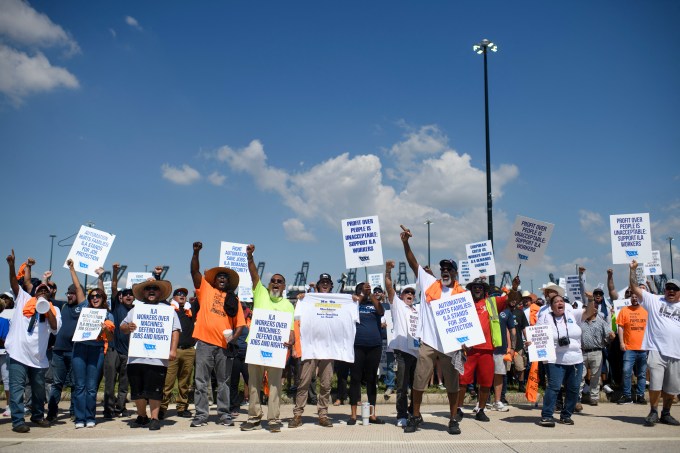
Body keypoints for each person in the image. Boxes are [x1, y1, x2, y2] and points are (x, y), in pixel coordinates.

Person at [400, 225, 465, 435]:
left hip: (450, 344)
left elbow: (466, 322)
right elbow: (413, 263)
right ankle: (415, 416)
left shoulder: (461, 292)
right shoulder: (429, 283)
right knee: (419, 381)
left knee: (452, 384)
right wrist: (405, 242)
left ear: (455, 273)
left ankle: (453, 418)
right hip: (428, 342)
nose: (445, 271)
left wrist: (465, 343)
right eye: (443, 269)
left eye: (449, 269)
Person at [189, 241, 245, 428]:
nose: (222, 279)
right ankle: (201, 415)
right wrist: (196, 253)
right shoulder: (206, 290)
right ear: (214, 280)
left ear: (229, 283)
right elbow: (195, 273)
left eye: (225, 278)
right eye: (219, 277)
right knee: (201, 382)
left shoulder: (233, 300)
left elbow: (239, 325)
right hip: (204, 343)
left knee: (224, 382)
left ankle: (224, 414)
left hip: (223, 346)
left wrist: (233, 339)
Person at [5, 250, 62, 433]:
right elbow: (15, 284)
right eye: (40, 290)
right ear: (35, 293)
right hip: (18, 354)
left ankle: (38, 416)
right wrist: (12, 265)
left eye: (46, 291)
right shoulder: (24, 299)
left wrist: (46, 310)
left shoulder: (54, 310)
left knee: (38, 391)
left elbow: (54, 327)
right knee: (17, 389)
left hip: (38, 359)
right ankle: (18, 421)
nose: (43, 292)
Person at [241, 244, 294, 433]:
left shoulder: (288, 305)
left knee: (274, 386)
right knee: (253, 384)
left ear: (284, 286)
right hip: (256, 347)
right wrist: (250, 257)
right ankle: (254, 418)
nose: (276, 283)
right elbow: (254, 274)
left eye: (279, 281)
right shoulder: (261, 293)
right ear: (269, 284)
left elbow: (291, 330)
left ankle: (273, 420)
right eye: (273, 280)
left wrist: (292, 341)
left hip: (277, 350)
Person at [120, 279, 180, 431]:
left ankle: (154, 418)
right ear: (144, 293)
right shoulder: (135, 310)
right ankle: (142, 416)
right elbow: (122, 327)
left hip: (157, 360)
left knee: (155, 391)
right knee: (137, 391)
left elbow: (175, 331)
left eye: (155, 289)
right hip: (136, 358)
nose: (151, 291)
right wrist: (128, 326)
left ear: (160, 293)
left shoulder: (168, 310)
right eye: (148, 289)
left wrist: (173, 350)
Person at [457, 277, 519, 420]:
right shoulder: (463, 303)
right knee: (462, 381)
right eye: (474, 287)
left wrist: (514, 288)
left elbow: (510, 299)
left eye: (480, 287)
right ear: (471, 289)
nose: (477, 289)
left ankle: (481, 409)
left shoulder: (492, 302)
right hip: (468, 349)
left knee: (485, 382)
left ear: (484, 290)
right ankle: (458, 408)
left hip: (487, 349)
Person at [628, 261, 680, 426]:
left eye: (675, 289)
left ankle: (666, 413)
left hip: (677, 352)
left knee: (671, 388)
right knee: (656, 384)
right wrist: (633, 270)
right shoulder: (654, 300)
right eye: (668, 288)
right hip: (657, 350)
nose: (671, 291)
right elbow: (635, 288)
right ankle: (653, 412)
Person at [535, 294, 597, 427]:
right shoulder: (545, 317)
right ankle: (546, 416)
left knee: (574, 389)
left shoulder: (572, 314)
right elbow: (536, 335)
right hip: (555, 360)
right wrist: (531, 342)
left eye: (561, 301)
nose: (559, 303)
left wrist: (591, 299)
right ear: (551, 307)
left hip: (575, 359)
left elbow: (590, 312)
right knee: (554, 387)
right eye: (556, 302)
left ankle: (566, 415)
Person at [289, 273, 336, 429]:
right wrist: (303, 298)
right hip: (311, 347)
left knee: (326, 383)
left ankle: (323, 414)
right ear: (317, 285)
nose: (325, 284)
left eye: (327, 282)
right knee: (304, 382)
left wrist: (355, 300)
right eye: (322, 282)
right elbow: (297, 320)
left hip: (329, 348)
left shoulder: (338, 302)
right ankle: (297, 414)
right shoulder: (307, 300)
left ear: (331, 286)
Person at [70, 265, 114, 429]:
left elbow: (110, 337)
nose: (95, 298)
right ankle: (79, 418)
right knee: (80, 386)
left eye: (98, 296)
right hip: (79, 350)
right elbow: (77, 287)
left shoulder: (108, 315)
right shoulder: (84, 308)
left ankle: (90, 417)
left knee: (91, 387)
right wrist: (72, 269)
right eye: (92, 296)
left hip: (97, 351)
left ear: (103, 299)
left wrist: (104, 330)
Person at [384, 260, 419, 427]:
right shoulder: (397, 305)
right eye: (406, 293)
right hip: (403, 353)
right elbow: (390, 289)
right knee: (402, 387)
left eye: (412, 293)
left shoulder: (418, 309)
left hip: (417, 353)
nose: (410, 294)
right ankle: (401, 415)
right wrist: (388, 272)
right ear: (402, 296)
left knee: (417, 388)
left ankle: (414, 413)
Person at [347, 281, 385, 425]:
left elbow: (381, 311)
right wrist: (362, 294)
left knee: (371, 380)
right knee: (355, 379)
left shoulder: (374, 303)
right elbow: (353, 308)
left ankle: (372, 415)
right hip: (357, 346)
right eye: (362, 290)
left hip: (374, 346)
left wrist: (371, 295)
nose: (365, 292)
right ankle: (353, 415)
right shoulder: (354, 304)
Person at [46, 280, 84, 422]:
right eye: (68, 293)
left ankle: (73, 411)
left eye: (72, 293)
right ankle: (52, 412)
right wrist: (46, 280)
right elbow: (46, 299)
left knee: (75, 383)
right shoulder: (61, 306)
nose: (69, 296)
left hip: (75, 351)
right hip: (59, 351)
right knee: (57, 383)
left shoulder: (84, 308)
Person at [100, 263, 134, 419]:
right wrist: (115, 272)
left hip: (129, 352)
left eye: (131, 294)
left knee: (124, 383)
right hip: (113, 350)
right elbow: (114, 287)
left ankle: (121, 407)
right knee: (110, 382)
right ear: (121, 297)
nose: (128, 296)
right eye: (125, 294)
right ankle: (108, 409)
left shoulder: (136, 311)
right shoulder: (117, 306)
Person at [160, 287, 196, 419]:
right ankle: (162, 408)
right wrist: (157, 276)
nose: (182, 296)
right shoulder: (167, 308)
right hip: (172, 350)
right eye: (179, 294)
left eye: (184, 295)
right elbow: (160, 297)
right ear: (174, 297)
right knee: (167, 381)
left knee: (185, 382)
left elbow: (201, 295)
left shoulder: (190, 309)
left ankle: (182, 407)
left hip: (189, 350)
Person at [579, 287, 614, 407]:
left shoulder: (601, 322)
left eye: (591, 308)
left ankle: (594, 398)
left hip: (597, 352)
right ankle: (577, 398)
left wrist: (611, 336)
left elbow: (609, 335)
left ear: (595, 309)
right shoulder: (581, 321)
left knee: (595, 376)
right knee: (580, 375)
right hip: (582, 352)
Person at [616, 287, 648, 405]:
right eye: (633, 297)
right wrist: (621, 342)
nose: (634, 299)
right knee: (626, 371)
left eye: (636, 297)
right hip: (629, 348)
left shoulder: (646, 310)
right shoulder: (624, 310)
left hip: (643, 348)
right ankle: (627, 396)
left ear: (640, 298)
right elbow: (620, 327)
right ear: (630, 298)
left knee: (642, 373)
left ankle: (640, 395)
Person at [489, 289, 517, 412]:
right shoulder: (487, 309)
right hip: (487, 348)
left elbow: (511, 331)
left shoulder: (507, 312)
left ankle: (497, 401)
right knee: (484, 375)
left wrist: (512, 347)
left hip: (501, 349)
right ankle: (482, 402)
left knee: (499, 375)